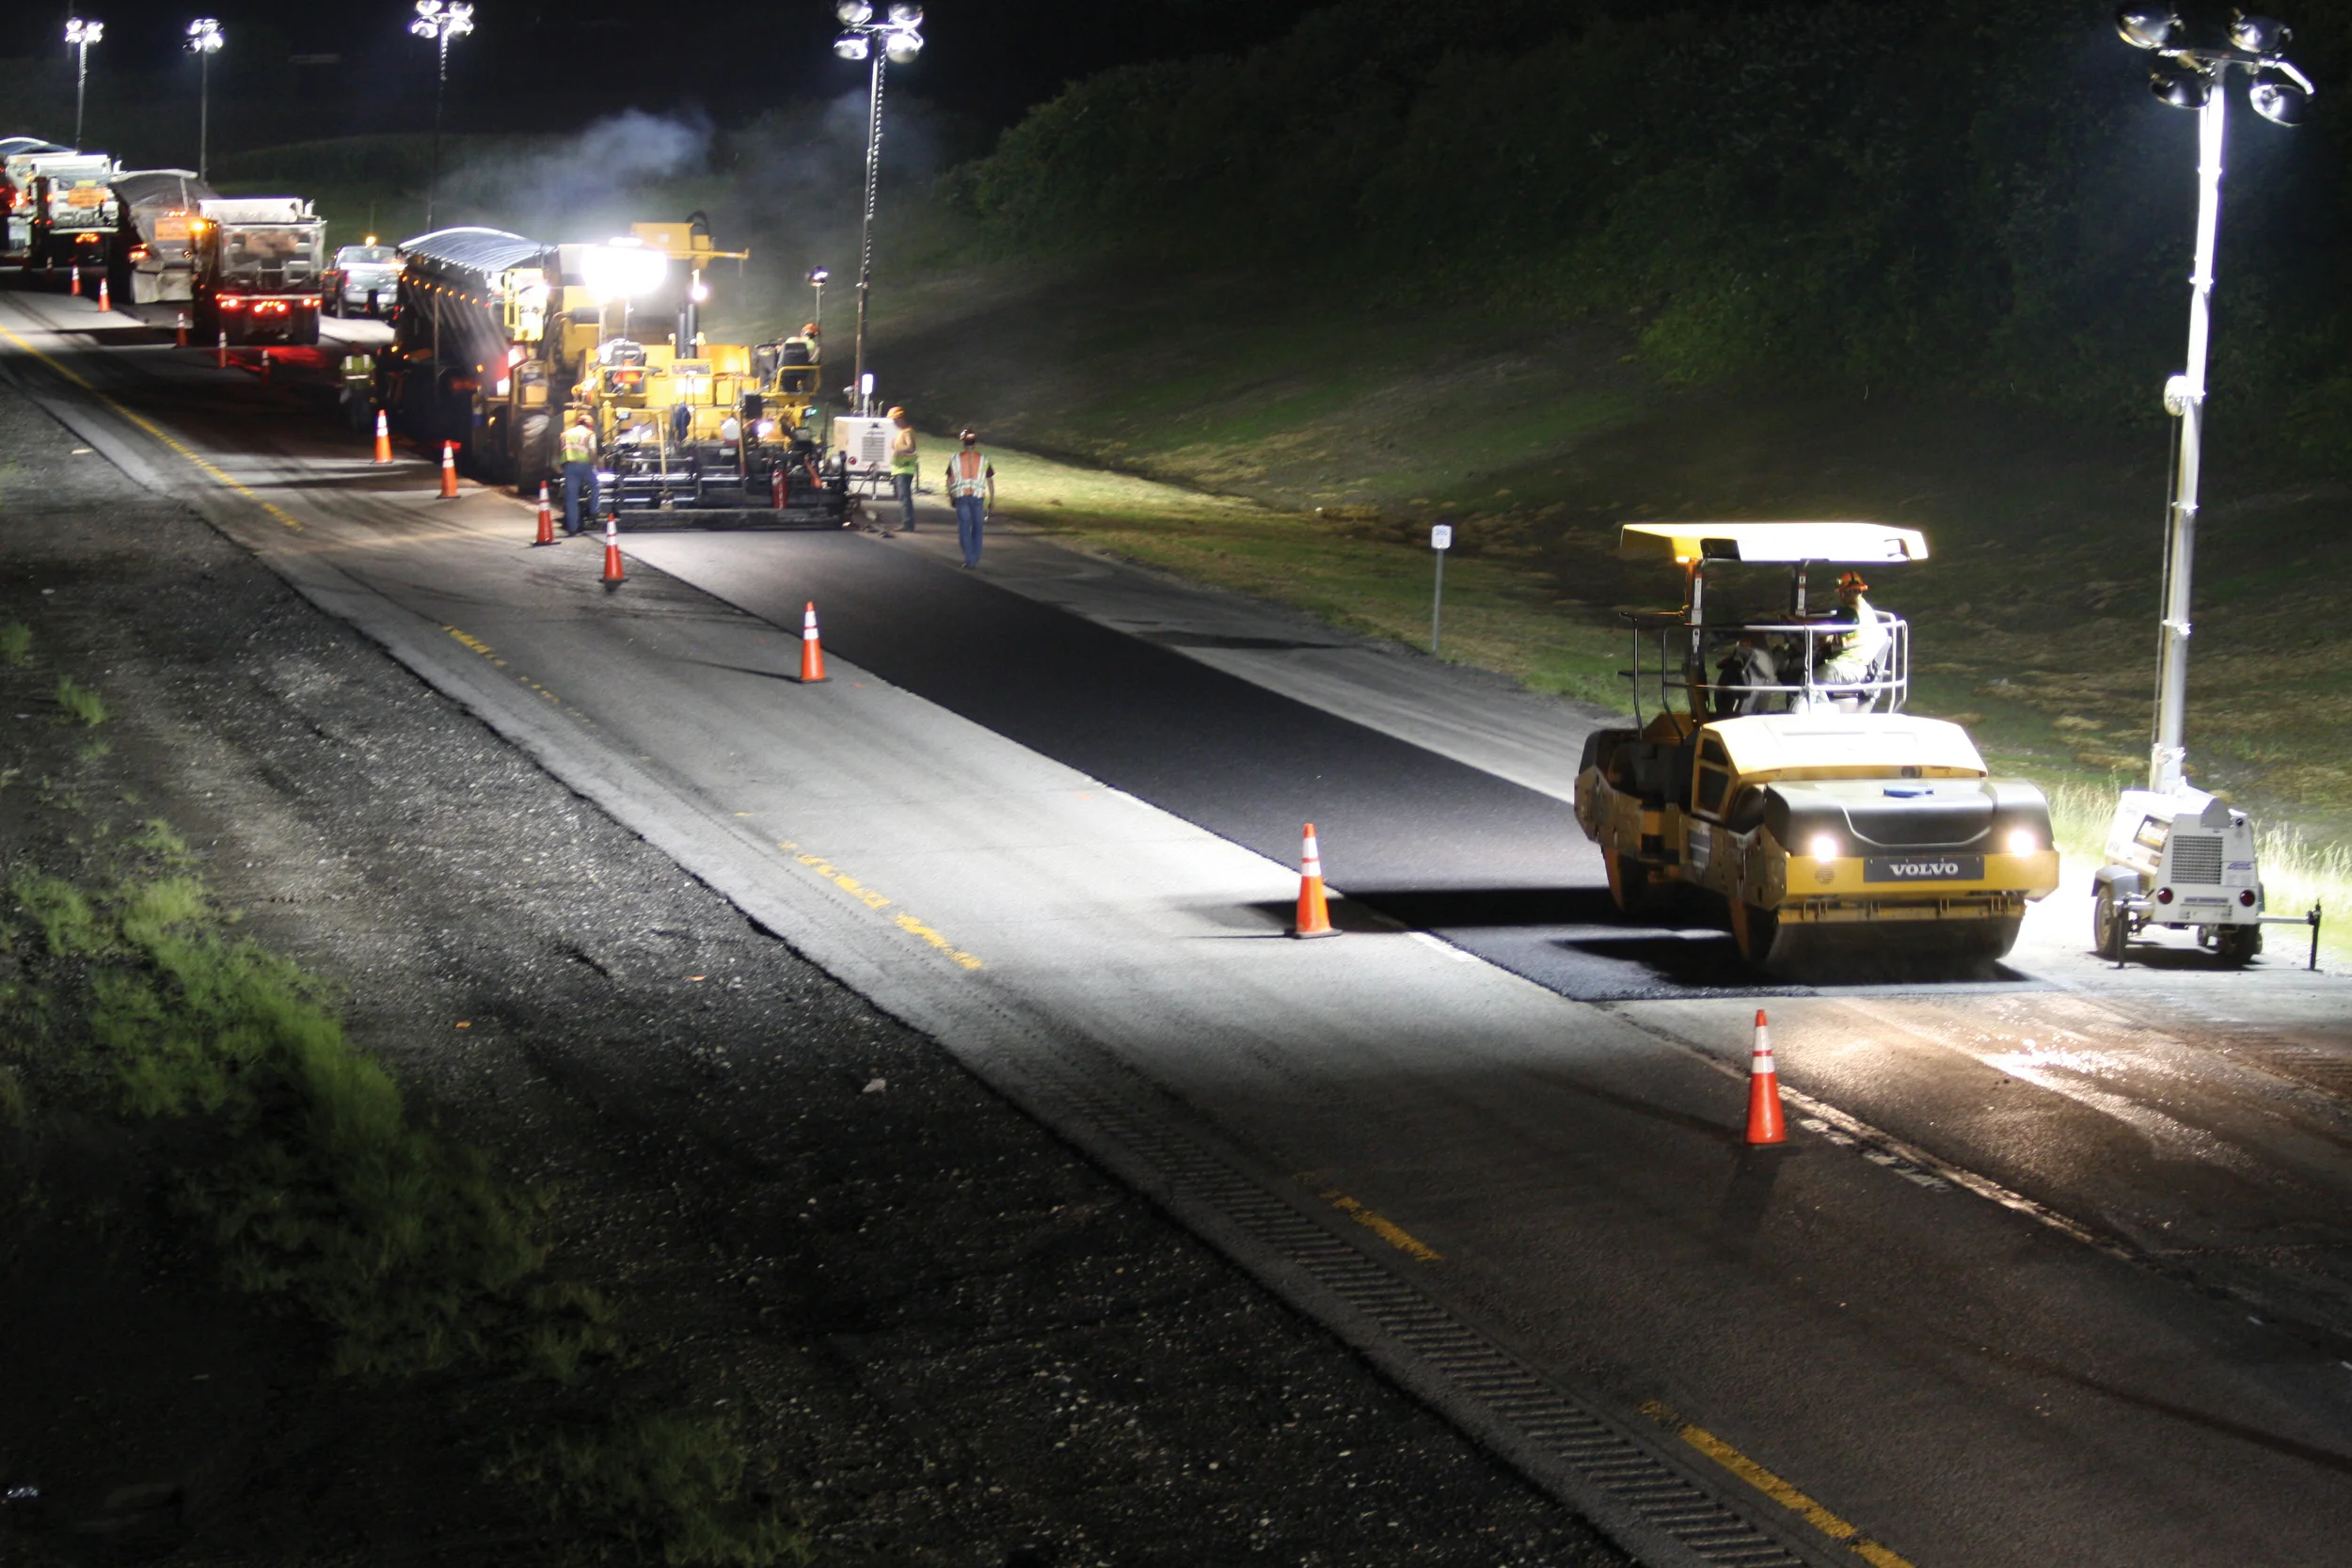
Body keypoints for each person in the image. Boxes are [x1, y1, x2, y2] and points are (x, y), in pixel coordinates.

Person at [1820, 570, 1892, 699]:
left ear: (1845, 592)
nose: (1841, 596)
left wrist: (1823, 641)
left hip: (1852, 664)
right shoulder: (1864, 609)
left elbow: (1847, 638)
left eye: (1843, 592)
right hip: (1855, 662)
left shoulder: (1853, 612)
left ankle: (1814, 712)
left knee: (1808, 678)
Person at [945, 427, 996, 569]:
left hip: (962, 497)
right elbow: (990, 481)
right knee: (978, 529)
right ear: (975, 442)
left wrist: (951, 496)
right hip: (978, 498)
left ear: (963, 442)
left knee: (964, 528)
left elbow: (949, 480)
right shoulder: (984, 459)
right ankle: (975, 557)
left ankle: (969, 559)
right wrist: (992, 499)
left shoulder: (955, 459)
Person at [1713, 631, 1778, 717]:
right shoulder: (1755, 654)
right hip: (1752, 681)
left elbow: (1770, 682)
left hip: (1759, 683)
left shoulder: (1762, 657)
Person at [560, 409, 597, 535]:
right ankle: (594, 511)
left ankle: (572, 528)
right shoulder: (589, 434)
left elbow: (560, 452)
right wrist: (595, 465)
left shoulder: (565, 434)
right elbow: (592, 452)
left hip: (569, 466)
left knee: (571, 498)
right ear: (589, 425)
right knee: (595, 485)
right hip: (585, 466)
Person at [888, 406, 919, 532]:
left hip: (904, 469)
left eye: (895, 420)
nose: (894, 423)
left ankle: (908, 524)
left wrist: (897, 448)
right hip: (901, 468)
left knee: (905, 497)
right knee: (903, 497)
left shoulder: (907, 432)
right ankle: (907, 523)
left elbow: (911, 448)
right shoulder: (903, 432)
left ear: (901, 419)